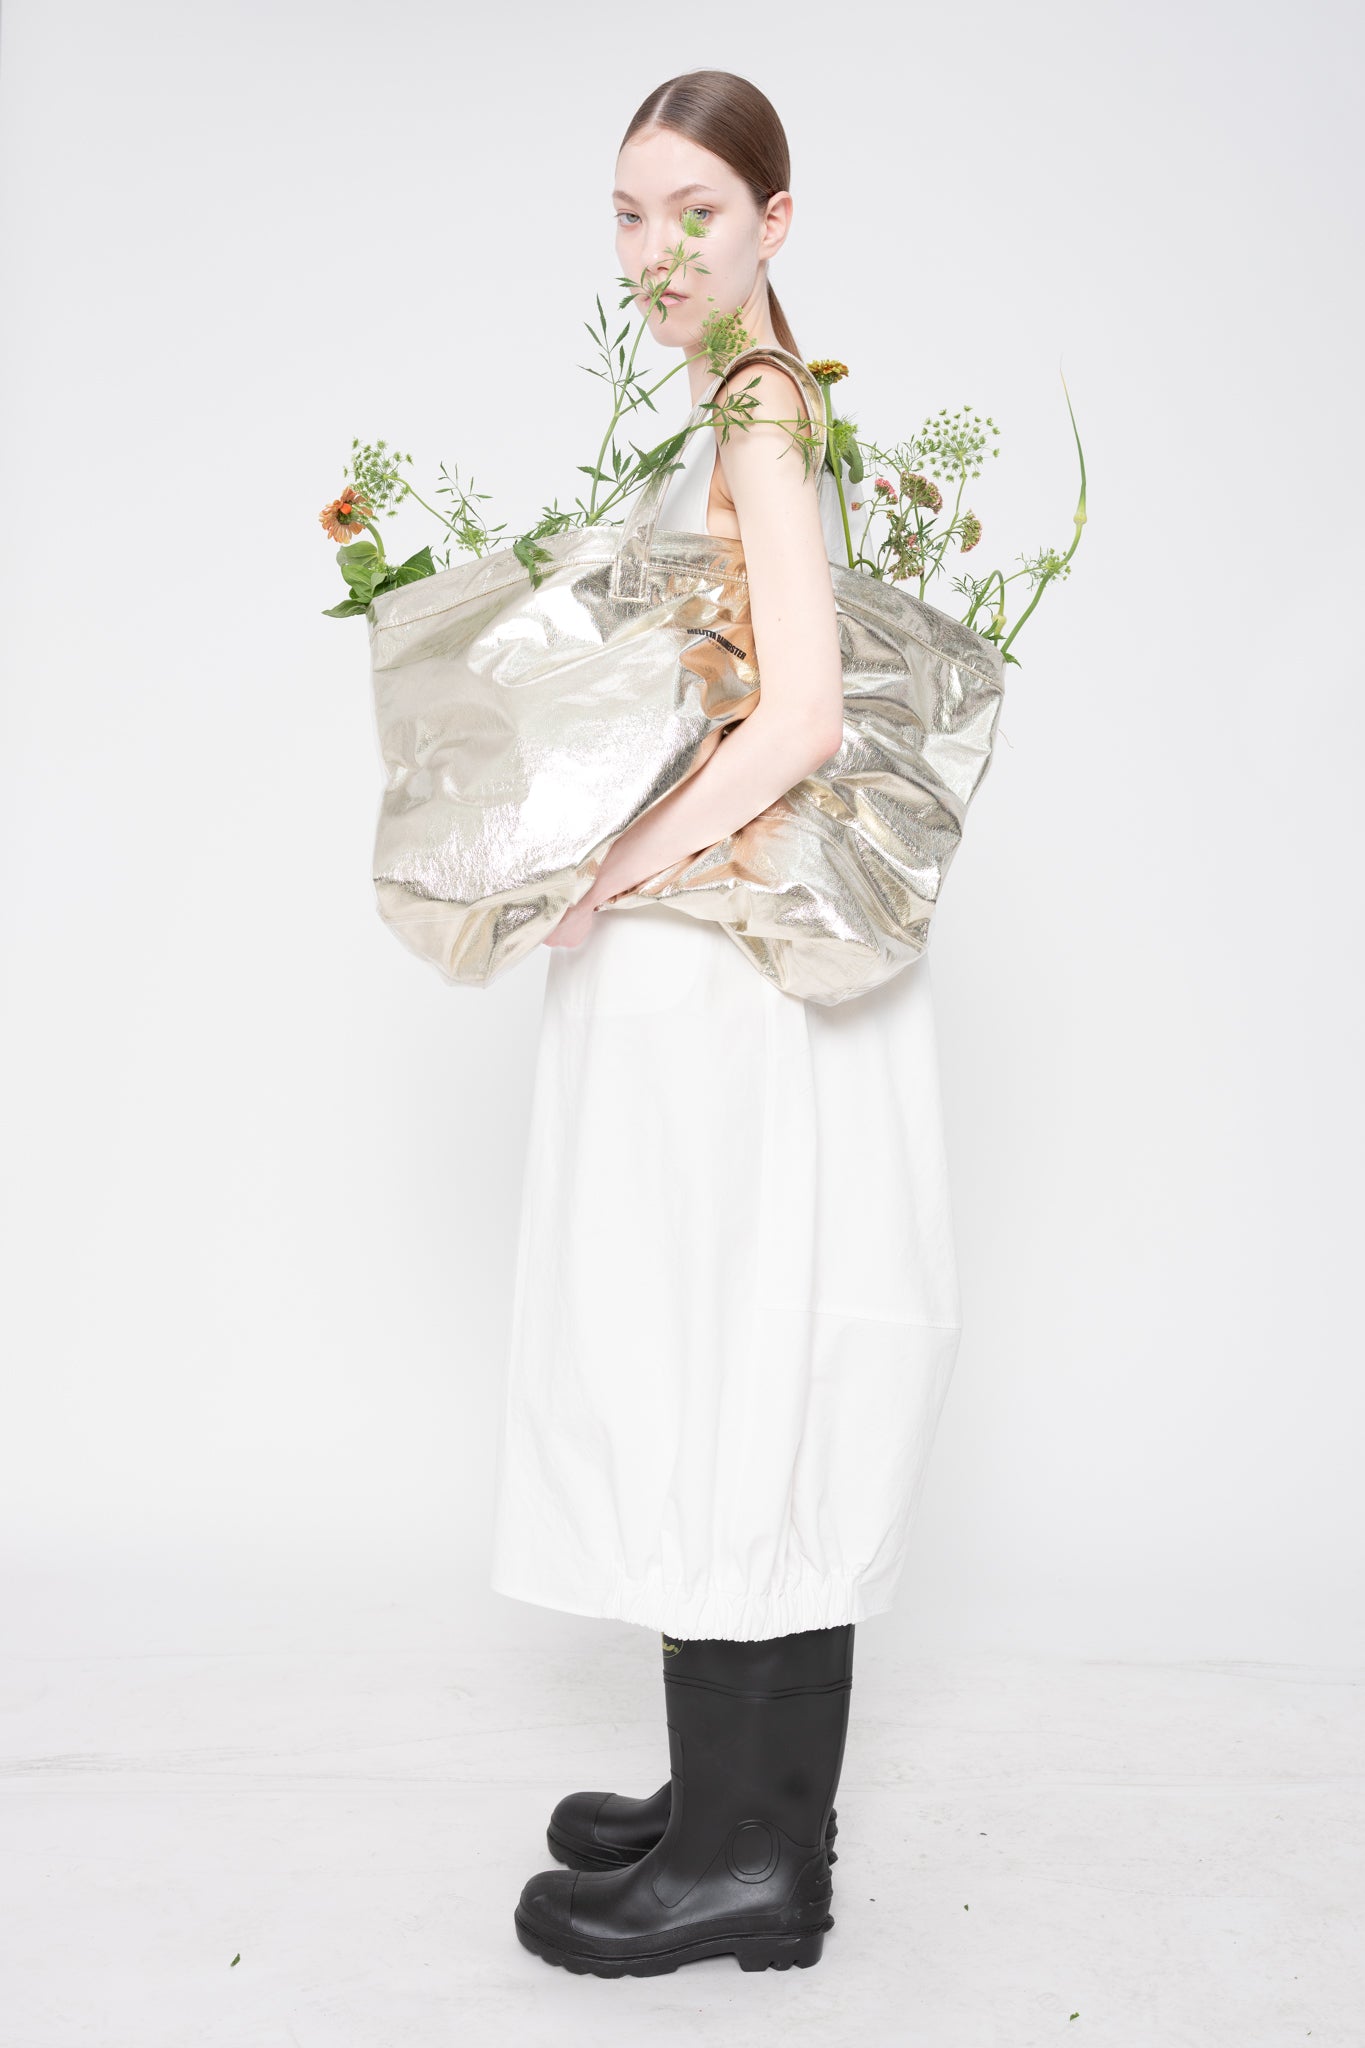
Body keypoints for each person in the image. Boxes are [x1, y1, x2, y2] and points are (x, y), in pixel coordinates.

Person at [491, 70, 964, 1978]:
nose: (651, 249)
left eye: (689, 208)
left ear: (777, 216)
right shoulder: (745, 401)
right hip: (733, 944)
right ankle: (734, 1811)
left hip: (734, 956)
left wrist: (609, 865)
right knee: (720, 1325)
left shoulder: (760, 416)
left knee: (723, 1334)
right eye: (623, 212)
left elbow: (801, 720)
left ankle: (755, 1865)